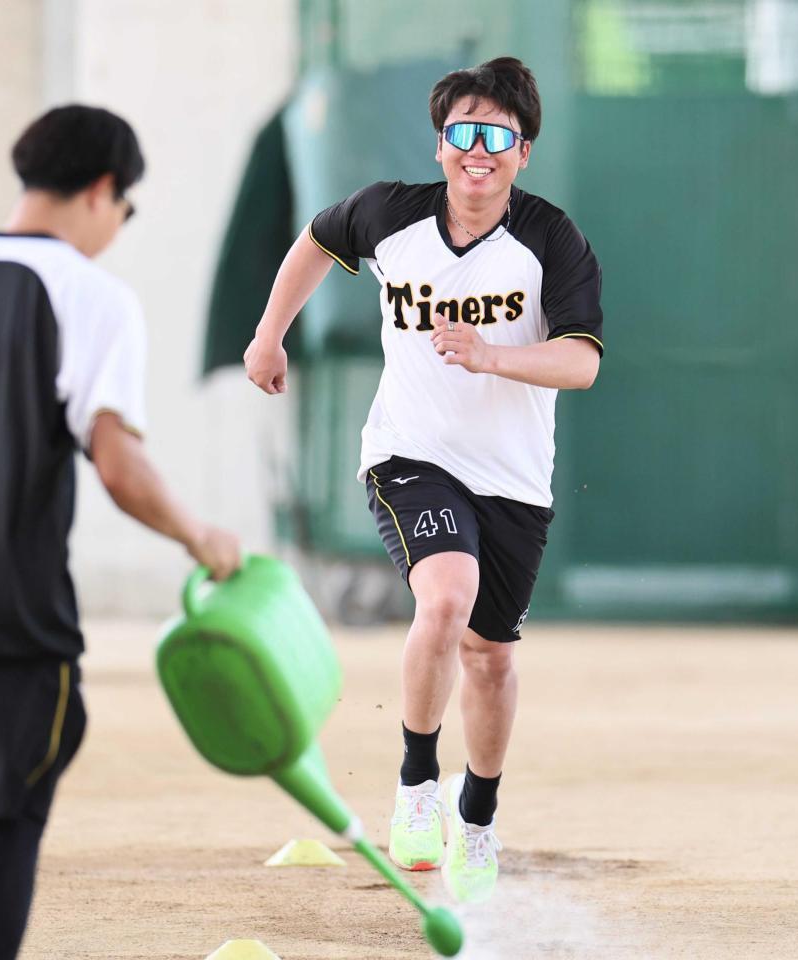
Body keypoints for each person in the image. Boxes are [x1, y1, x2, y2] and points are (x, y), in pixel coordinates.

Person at [244, 56, 603, 904]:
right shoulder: (387, 213)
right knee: (444, 597)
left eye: (497, 137)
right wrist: (269, 335)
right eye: (462, 134)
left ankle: (476, 820)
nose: (478, 152)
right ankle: (415, 786)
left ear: (524, 153)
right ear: (440, 144)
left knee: (490, 658)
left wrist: (491, 354)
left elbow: (582, 362)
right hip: (409, 453)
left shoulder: (551, 239)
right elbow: (315, 244)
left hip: (512, 479)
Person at [0, 105, 241, 959]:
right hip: (14, 634)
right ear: (104, 191)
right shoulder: (89, 296)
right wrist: (200, 536)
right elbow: (118, 465)